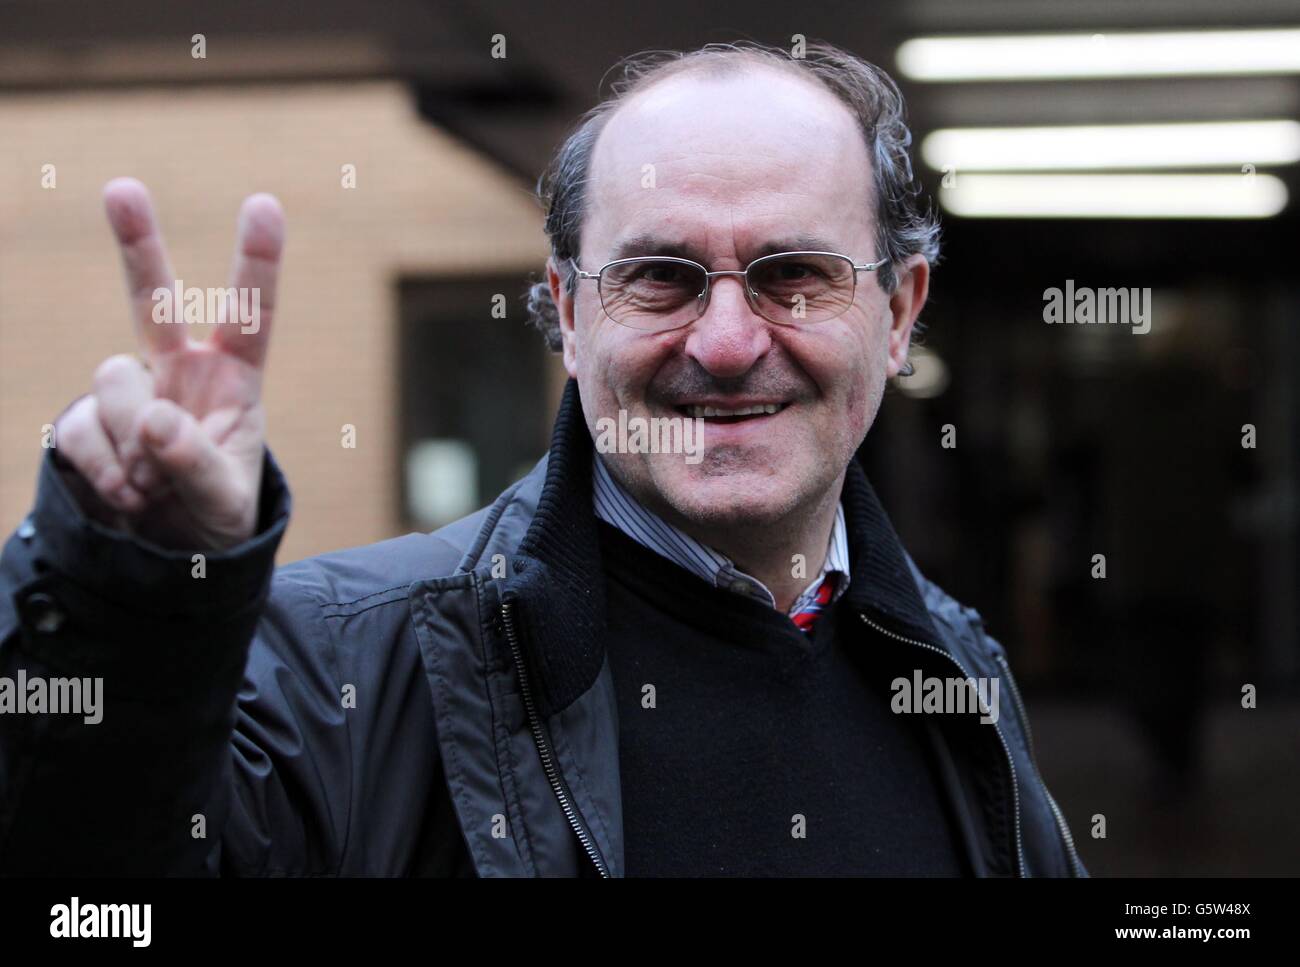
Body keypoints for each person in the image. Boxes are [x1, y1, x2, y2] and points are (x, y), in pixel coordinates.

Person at [0, 40, 1084, 876]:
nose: (723, 341)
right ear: (566, 314)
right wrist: (134, 596)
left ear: (897, 313)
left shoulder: (955, 670)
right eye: (658, 276)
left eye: (793, 274)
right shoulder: (340, 667)